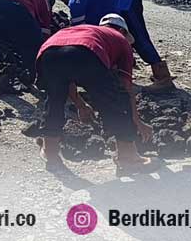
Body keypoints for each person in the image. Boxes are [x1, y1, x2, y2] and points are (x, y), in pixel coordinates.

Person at [36, 14, 157, 175]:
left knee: (55, 100)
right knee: (116, 102)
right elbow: (126, 88)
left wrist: (81, 105)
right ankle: (128, 157)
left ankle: (50, 151)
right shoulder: (120, 40)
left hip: (48, 52)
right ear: (122, 31)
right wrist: (137, 121)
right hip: (87, 53)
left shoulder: (85, 30)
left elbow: (67, 78)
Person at [55, 0, 174, 91]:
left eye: (64, 1)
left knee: (137, 35)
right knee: (127, 33)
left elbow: (80, 33)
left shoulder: (75, 0)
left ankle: (162, 77)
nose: (67, 5)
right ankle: (130, 66)